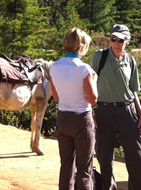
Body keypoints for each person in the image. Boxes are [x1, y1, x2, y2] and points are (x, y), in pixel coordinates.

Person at [89, 24, 141, 190]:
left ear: (127, 41)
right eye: (113, 38)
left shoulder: (130, 60)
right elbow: (88, 85)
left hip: (128, 111)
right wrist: (91, 113)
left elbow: (133, 90)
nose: (116, 42)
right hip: (104, 111)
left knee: (137, 158)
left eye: (120, 40)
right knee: (104, 158)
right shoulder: (98, 56)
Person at [50, 28, 98, 190]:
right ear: (81, 46)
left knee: (66, 167)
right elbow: (93, 99)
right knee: (84, 169)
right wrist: (94, 81)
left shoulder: (54, 67)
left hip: (63, 119)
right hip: (81, 120)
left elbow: (57, 98)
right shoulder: (84, 69)